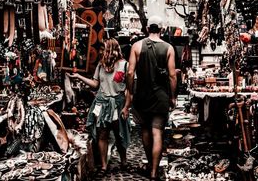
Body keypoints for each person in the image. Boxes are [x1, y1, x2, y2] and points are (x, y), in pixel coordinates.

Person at [123, 16, 177, 180]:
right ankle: (154, 170)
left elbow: (130, 72)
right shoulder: (169, 48)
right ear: (161, 29)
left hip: (142, 95)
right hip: (161, 96)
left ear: (147, 29)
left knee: (145, 131)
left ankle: (149, 165)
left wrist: (130, 92)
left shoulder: (137, 46)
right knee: (158, 132)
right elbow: (172, 76)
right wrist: (173, 97)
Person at [69, 38, 130, 174]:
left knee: (119, 135)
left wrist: (126, 106)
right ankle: (103, 165)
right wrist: (79, 77)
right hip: (102, 104)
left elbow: (130, 89)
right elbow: (96, 85)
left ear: (111, 49)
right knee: (102, 135)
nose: (101, 51)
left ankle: (124, 161)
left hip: (117, 104)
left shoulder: (125, 65)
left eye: (103, 48)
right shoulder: (100, 65)